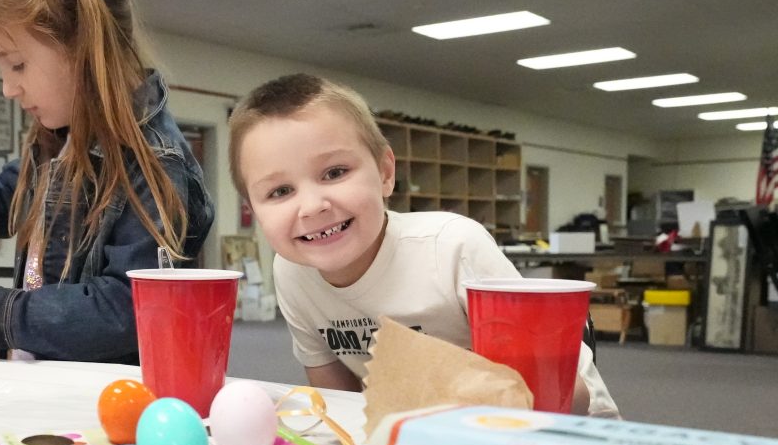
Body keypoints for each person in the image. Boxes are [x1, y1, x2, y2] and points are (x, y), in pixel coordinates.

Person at [229, 73, 617, 417]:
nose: (313, 207)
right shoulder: (292, 272)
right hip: (429, 436)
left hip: (566, 430)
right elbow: (338, 402)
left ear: (384, 173)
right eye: (280, 191)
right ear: (253, 209)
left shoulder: (452, 247)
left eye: (335, 172)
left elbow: (563, 398)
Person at [0, 0, 213, 362]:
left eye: (18, 65)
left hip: (100, 403)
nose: (9, 89)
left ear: (85, 47)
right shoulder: (63, 135)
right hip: (44, 381)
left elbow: (127, 310)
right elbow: (18, 187)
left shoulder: (157, 161)